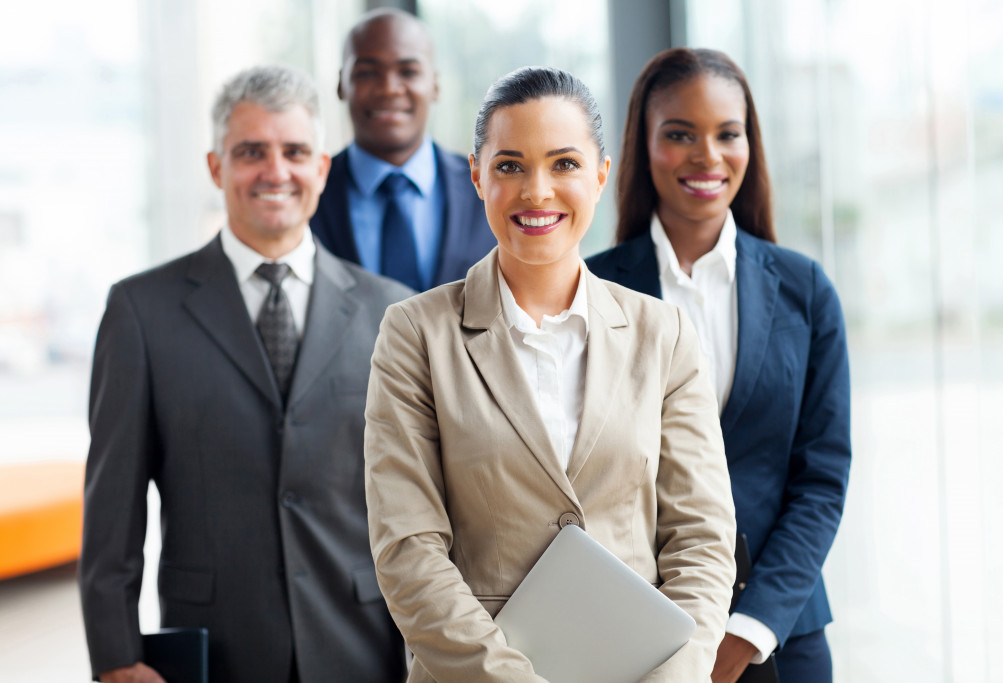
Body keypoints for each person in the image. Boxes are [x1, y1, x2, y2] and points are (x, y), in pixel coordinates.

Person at [363, 66, 737, 682]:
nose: (537, 191)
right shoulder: (415, 336)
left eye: (563, 164)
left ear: (601, 175)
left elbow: (702, 540)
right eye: (509, 165)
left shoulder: (663, 334)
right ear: (477, 176)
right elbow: (408, 551)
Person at [79, 65, 411, 683]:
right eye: (251, 152)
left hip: (365, 645)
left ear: (322, 169)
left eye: (295, 152)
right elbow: (111, 505)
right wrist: (116, 654)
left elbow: (422, 504)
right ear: (216, 168)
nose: (275, 172)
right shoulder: (140, 311)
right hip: (216, 647)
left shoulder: (393, 310)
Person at [586, 48, 852, 683]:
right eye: (679, 134)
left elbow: (822, 476)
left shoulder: (804, 290)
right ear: (643, 147)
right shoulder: (590, 290)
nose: (707, 155)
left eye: (727, 134)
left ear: (749, 145)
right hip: (642, 635)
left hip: (780, 634)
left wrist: (749, 627)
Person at [310, 8, 495, 291]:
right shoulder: (308, 194)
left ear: (435, 84)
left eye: (408, 71)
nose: (389, 89)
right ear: (340, 85)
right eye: (368, 72)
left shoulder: (489, 188)